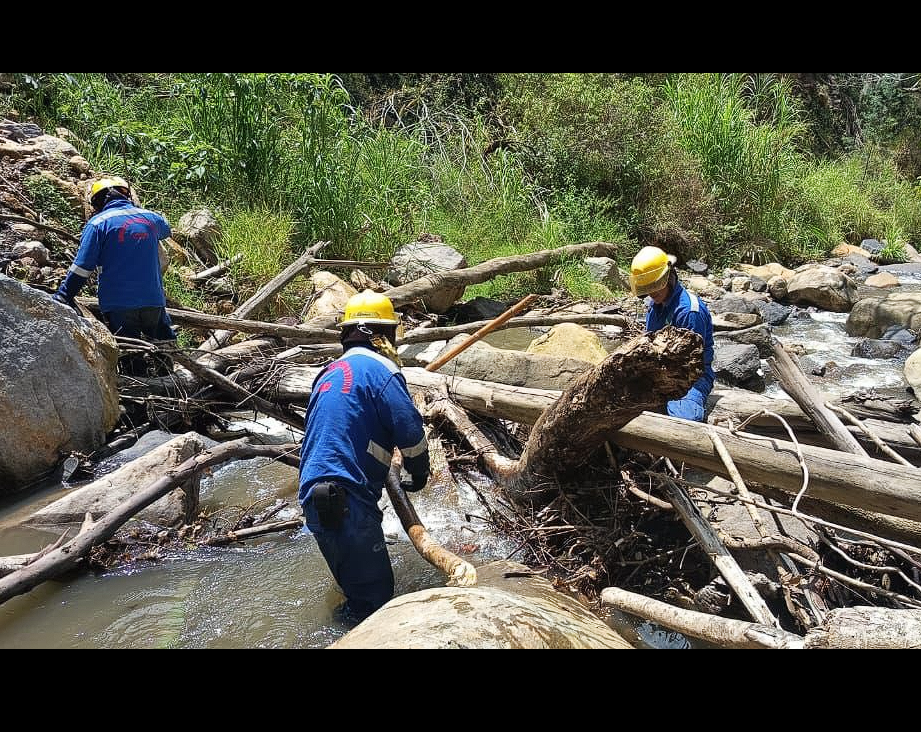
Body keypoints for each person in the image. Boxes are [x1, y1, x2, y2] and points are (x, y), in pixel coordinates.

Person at [298, 290, 430, 625]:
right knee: (376, 604)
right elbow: (410, 431)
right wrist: (419, 472)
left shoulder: (328, 373)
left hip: (315, 498)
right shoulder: (381, 371)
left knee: (355, 592)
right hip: (347, 499)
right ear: (383, 335)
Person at [53, 176, 175, 344]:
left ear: (97, 203)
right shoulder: (152, 219)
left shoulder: (97, 225)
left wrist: (63, 295)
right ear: (127, 196)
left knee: (130, 352)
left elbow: (82, 267)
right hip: (153, 299)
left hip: (119, 303)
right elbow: (166, 229)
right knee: (164, 345)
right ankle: (168, 370)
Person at [629, 245, 715, 422]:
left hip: (692, 377)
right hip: (660, 371)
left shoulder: (689, 312)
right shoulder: (655, 306)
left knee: (686, 418)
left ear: (668, 277)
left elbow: (692, 365)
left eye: (656, 287)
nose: (652, 293)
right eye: (648, 288)